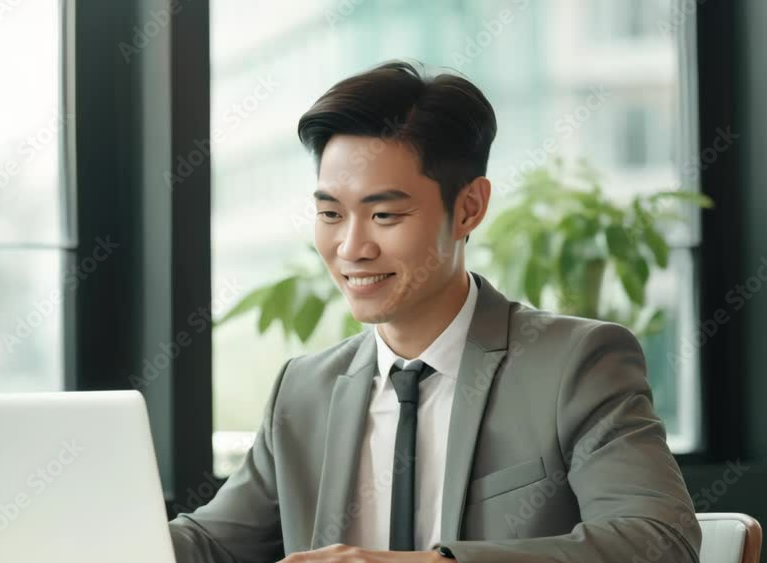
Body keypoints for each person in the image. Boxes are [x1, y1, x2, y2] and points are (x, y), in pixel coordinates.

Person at [169, 60, 701, 563]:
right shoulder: (304, 389)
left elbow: (659, 540)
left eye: (384, 214)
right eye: (330, 213)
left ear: (469, 207)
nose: (352, 247)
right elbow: (211, 545)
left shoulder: (575, 363)